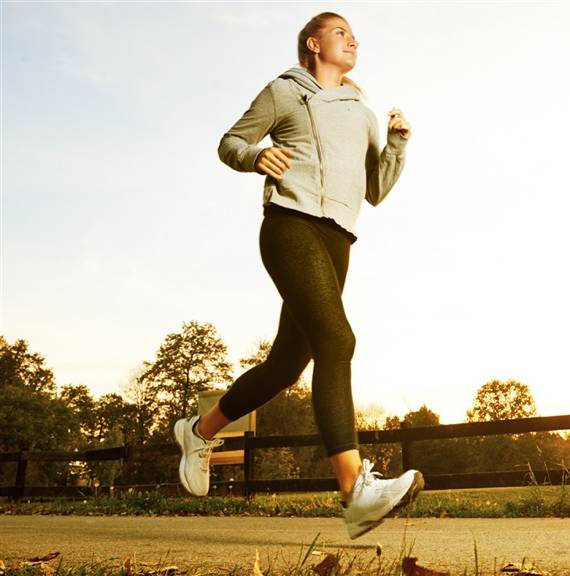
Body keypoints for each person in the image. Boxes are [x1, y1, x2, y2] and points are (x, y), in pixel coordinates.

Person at [172, 11, 423, 540]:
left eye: (354, 35)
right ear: (313, 43)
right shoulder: (284, 92)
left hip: (339, 239)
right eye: (340, 32)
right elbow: (230, 142)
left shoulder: (363, 114)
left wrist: (397, 143)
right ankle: (354, 493)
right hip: (290, 225)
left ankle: (199, 431)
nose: (352, 40)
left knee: (286, 365)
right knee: (338, 340)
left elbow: (375, 190)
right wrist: (256, 156)